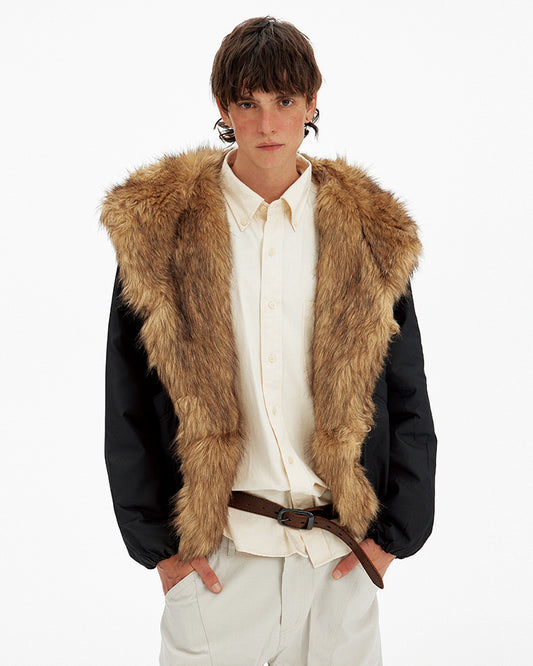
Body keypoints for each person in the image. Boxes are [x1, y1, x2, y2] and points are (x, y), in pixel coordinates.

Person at [100, 16, 437, 666]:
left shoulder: (368, 229)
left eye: (284, 100)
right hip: (219, 562)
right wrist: (161, 552)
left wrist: (393, 539)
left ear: (312, 102)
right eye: (248, 102)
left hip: (340, 561)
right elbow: (128, 397)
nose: (267, 123)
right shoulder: (161, 229)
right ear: (222, 107)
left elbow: (406, 392)